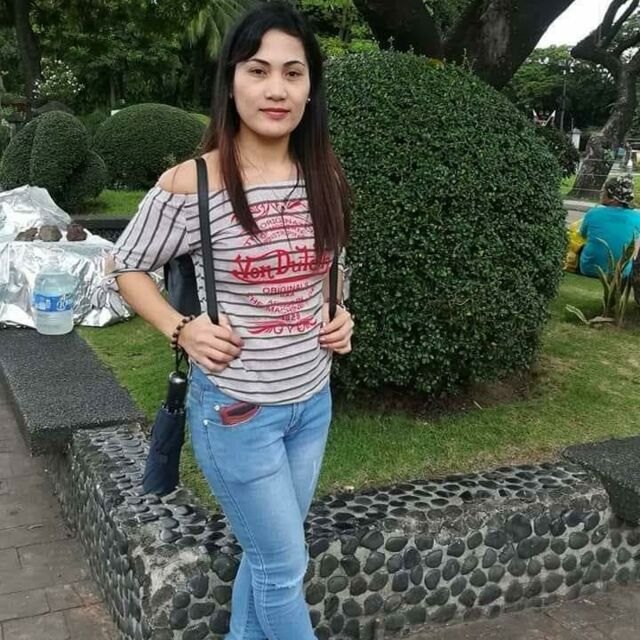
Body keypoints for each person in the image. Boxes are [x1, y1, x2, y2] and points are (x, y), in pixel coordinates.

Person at [107, 3, 354, 638]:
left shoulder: (323, 173)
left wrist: (340, 312)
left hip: (311, 402)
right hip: (238, 412)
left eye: (293, 73)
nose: (277, 89)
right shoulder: (192, 183)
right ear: (232, 81)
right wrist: (181, 327)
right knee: (282, 564)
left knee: (269, 559)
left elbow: (329, 264)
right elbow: (125, 265)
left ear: (310, 87)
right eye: (258, 70)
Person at [578, 175, 640, 278]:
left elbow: (582, 235)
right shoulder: (637, 217)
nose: (601, 193)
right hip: (621, 274)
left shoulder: (593, 213)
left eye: (603, 191)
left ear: (612, 198)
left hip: (589, 269)